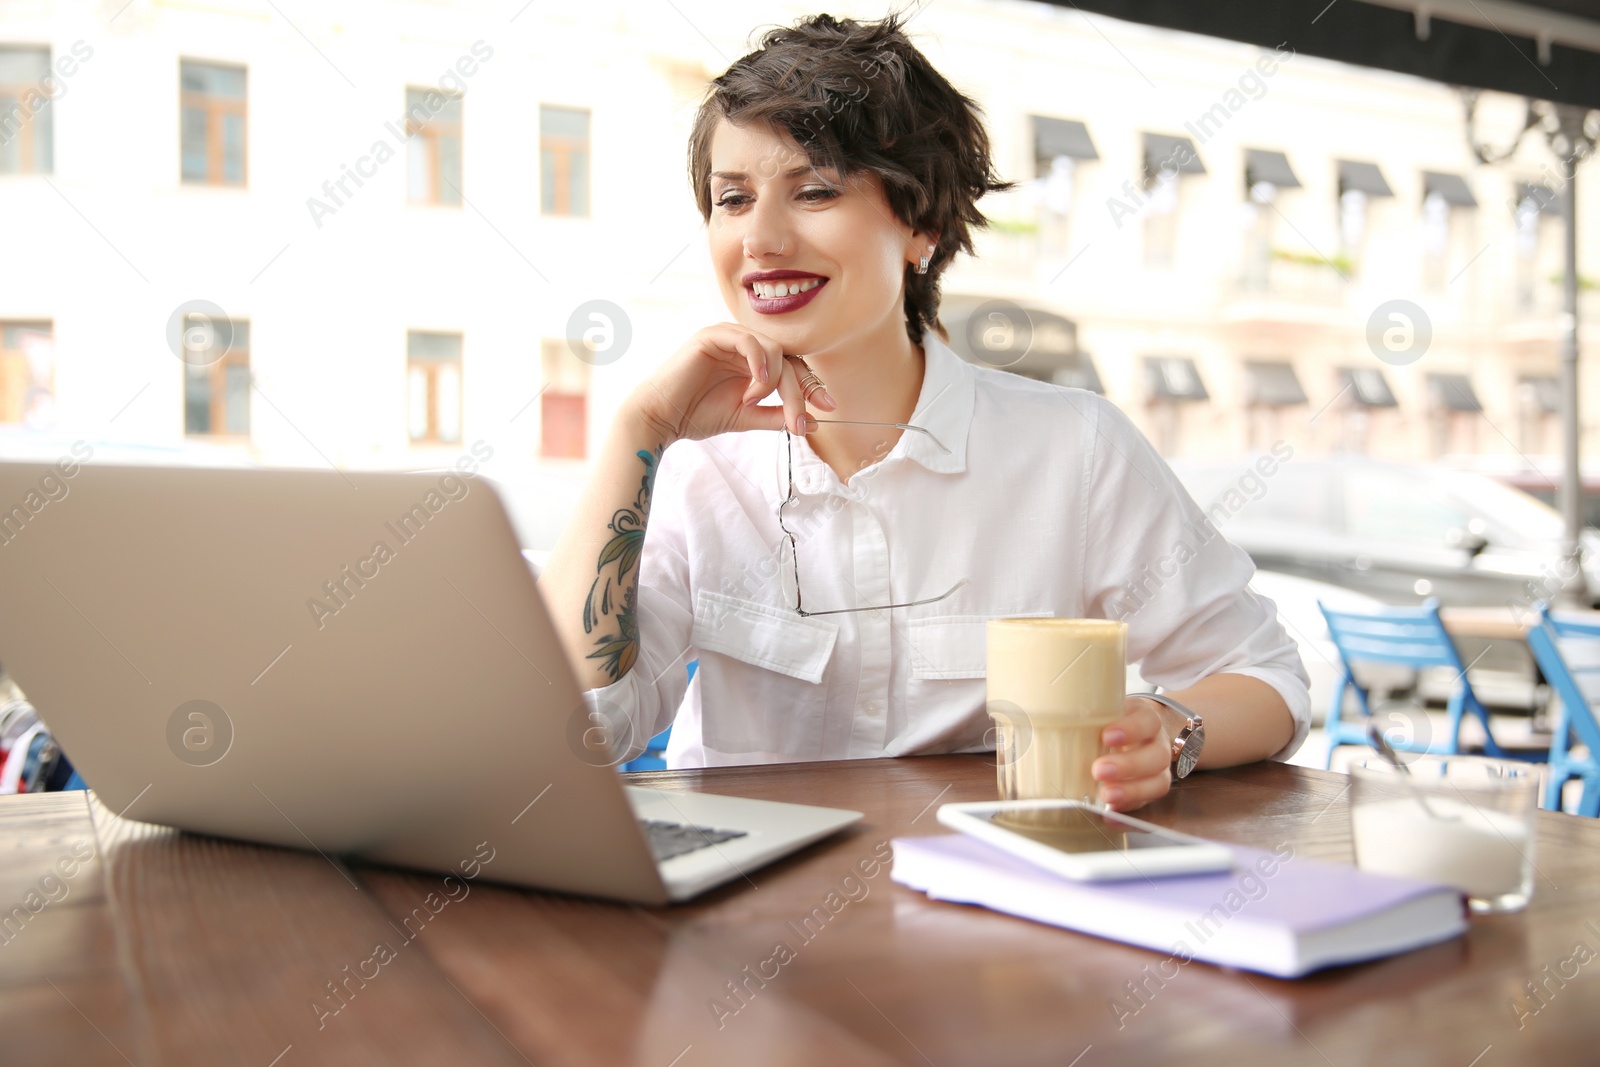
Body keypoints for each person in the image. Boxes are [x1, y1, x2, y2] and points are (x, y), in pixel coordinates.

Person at [541, 8, 1310, 812]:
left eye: (813, 190)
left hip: (990, 915)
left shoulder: (1072, 449)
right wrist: (640, 431)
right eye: (732, 199)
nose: (760, 239)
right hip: (749, 918)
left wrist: (1170, 726)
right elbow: (586, 727)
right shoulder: (697, 467)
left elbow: (1268, 678)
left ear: (923, 227)